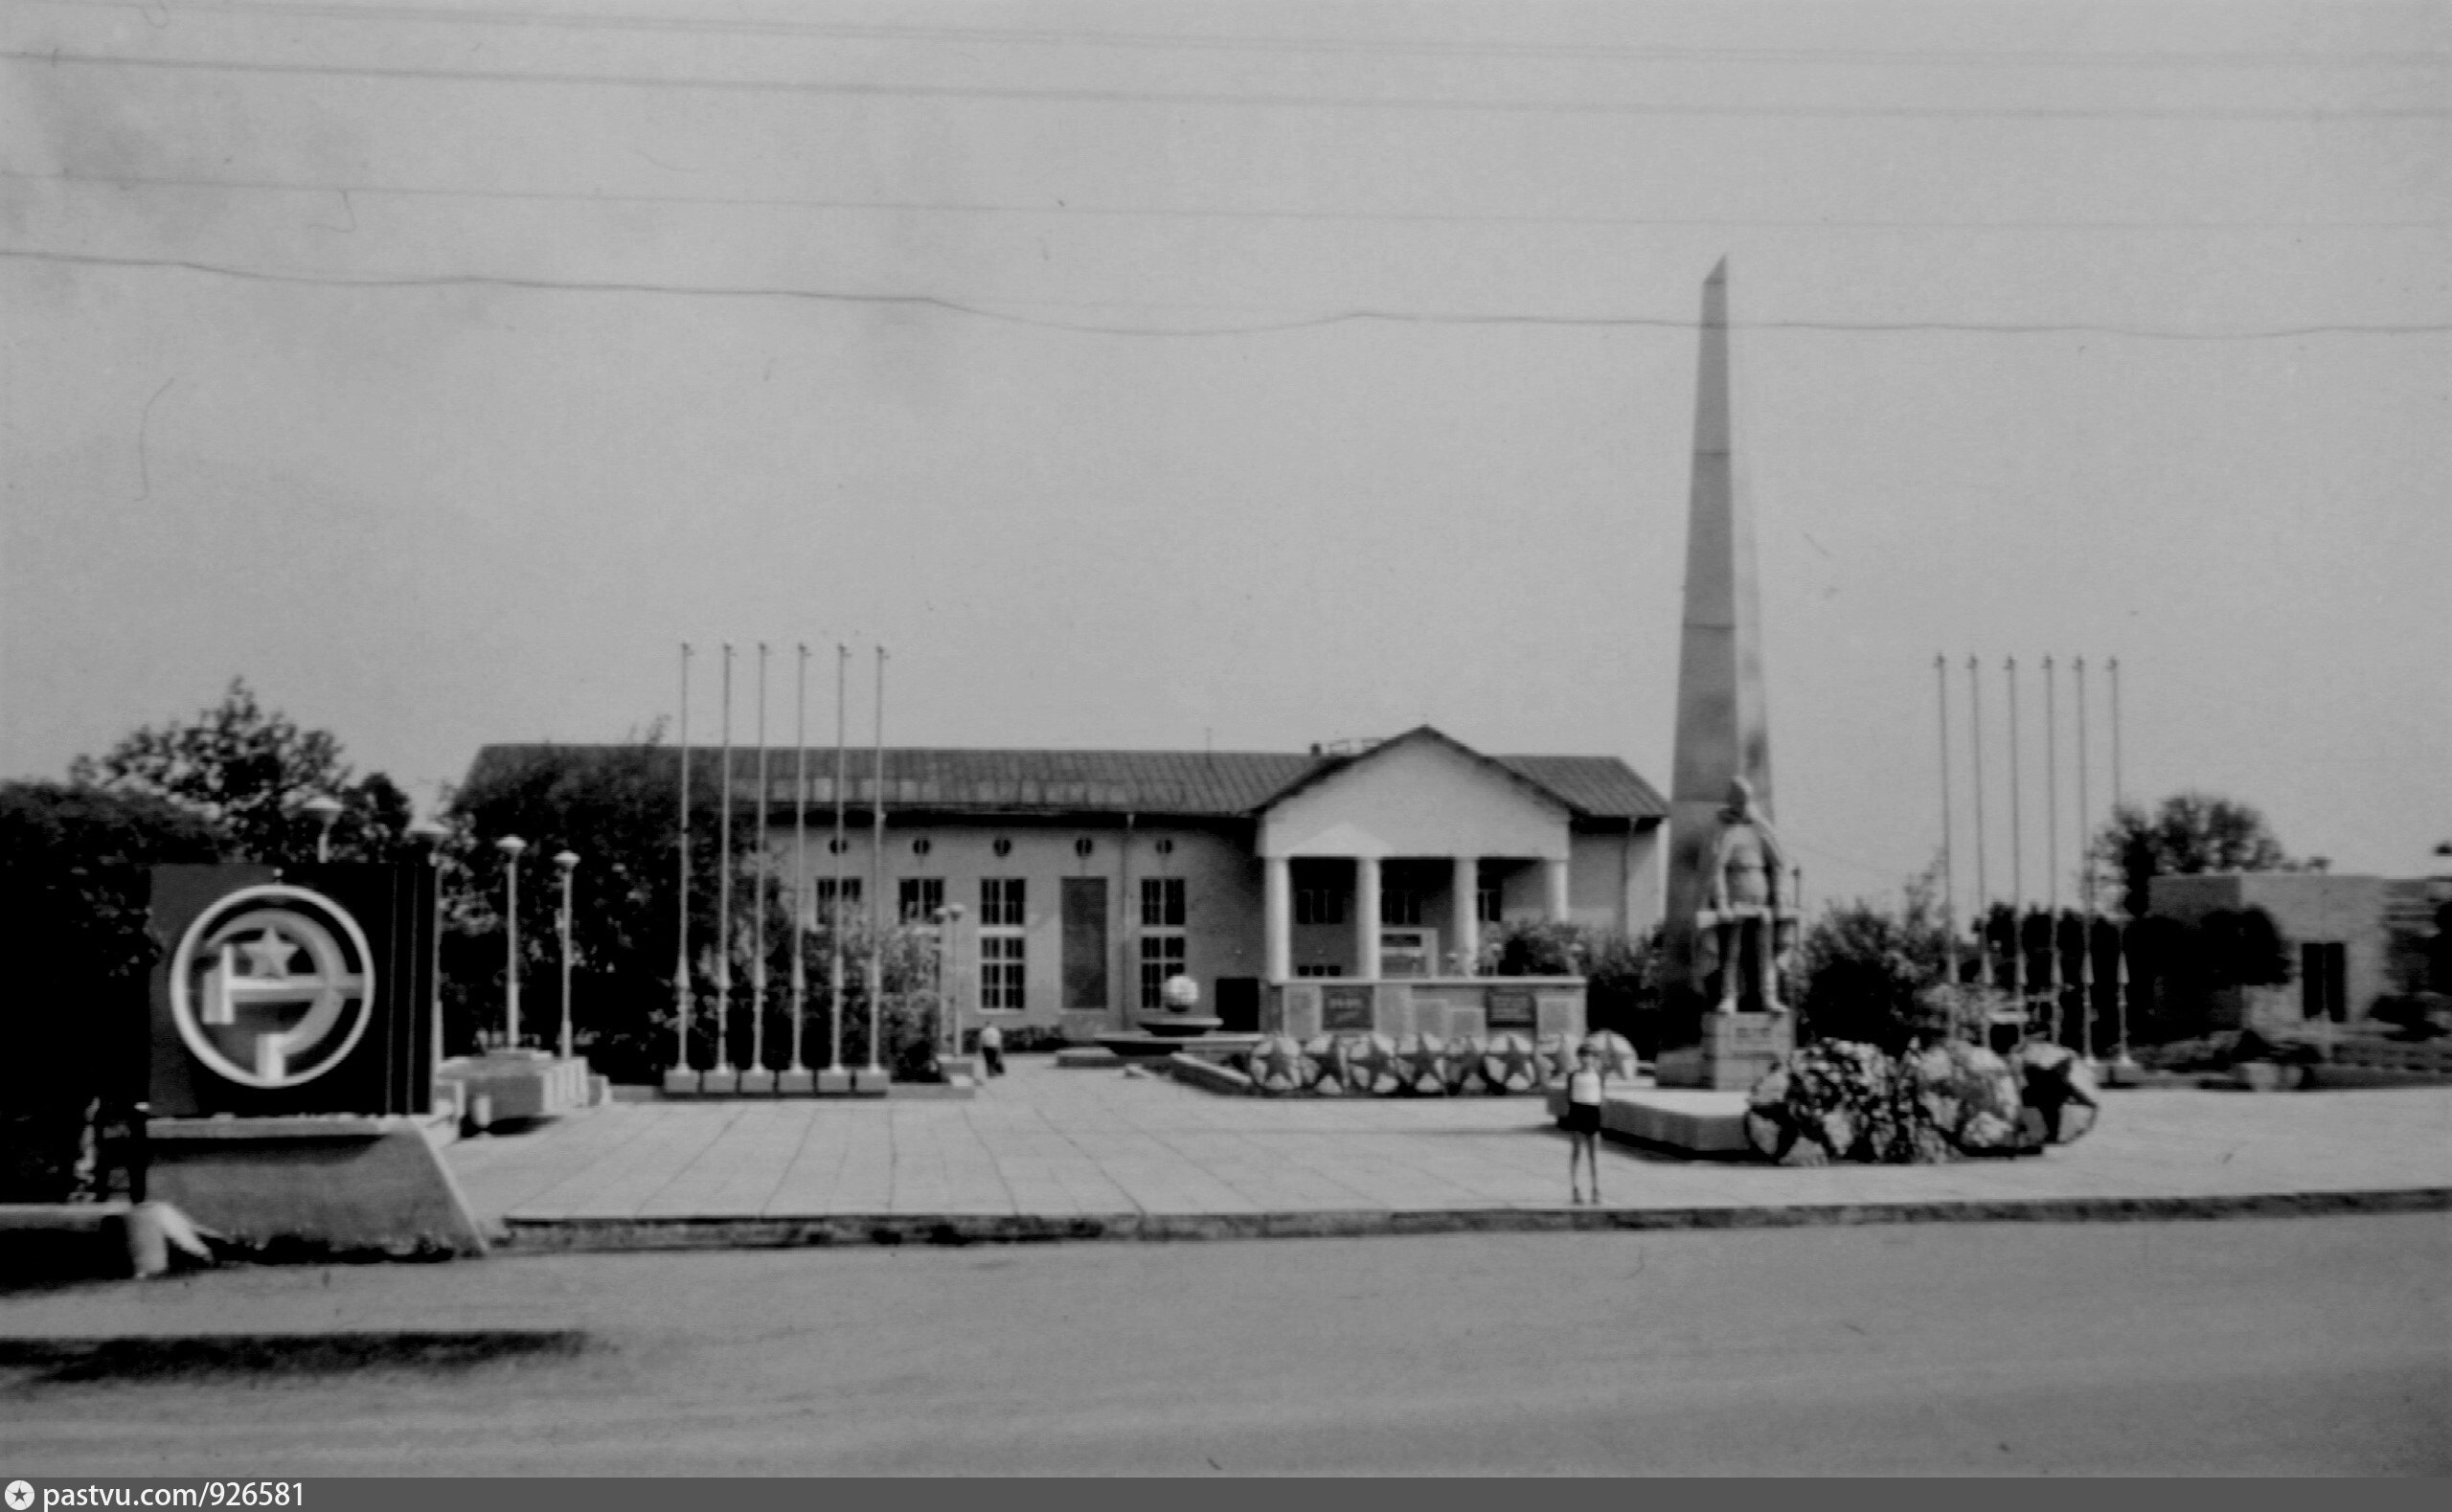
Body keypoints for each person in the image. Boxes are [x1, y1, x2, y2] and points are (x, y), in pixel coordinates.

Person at [1564, 1042, 1607, 1204]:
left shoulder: (1598, 1075)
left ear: (1594, 1058)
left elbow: (1602, 1095)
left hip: (1593, 1112)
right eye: (1583, 1056)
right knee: (1576, 1153)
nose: (1586, 1059)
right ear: (1578, 1057)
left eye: (1589, 1056)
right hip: (1578, 1111)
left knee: (1594, 1155)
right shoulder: (1573, 1076)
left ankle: (1596, 1188)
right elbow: (1568, 1095)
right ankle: (1575, 1187)